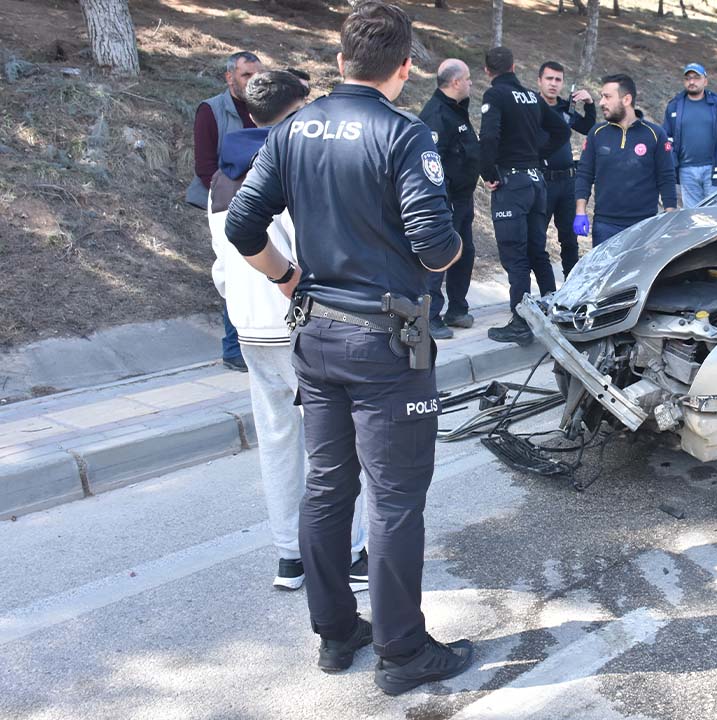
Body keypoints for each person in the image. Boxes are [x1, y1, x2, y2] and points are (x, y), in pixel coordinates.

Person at [224, 1, 473, 695]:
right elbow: (435, 250)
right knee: (395, 498)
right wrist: (452, 237)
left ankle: (336, 633)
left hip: (314, 329)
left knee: (329, 486)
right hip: (386, 340)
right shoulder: (404, 133)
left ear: (339, 63)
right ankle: (401, 651)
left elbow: (244, 223)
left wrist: (288, 279)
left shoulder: (295, 126)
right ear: (404, 68)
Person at [207, 70, 369, 595]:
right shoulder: (300, 161)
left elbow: (222, 259)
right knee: (339, 446)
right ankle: (353, 553)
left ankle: (288, 558)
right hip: (300, 317)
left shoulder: (221, 176)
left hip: (250, 326)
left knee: (277, 443)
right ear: (300, 108)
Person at [478, 46, 569, 346]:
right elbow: (562, 131)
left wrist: (489, 173)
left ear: (488, 71)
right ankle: (550, 311)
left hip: (513, 186)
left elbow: (489, 137)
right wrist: (536, 157)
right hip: (535, 182)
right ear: (514, 67)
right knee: (537, 252)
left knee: (515, 257)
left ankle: (520, 323)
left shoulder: (496, 95)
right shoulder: (531, 96)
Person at [191, 51, 263, 372]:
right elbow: (205, 166)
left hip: (263, 202)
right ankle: (233, 348)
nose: (253, 81)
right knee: (233, 272)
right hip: (225, 202)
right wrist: (234, 195)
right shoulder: (211, 110)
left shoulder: (263, 107)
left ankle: (256, 341)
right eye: (247, 75)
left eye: (257, 75)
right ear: (229, 77)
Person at [573, 74, 677, 245]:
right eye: (601, 97)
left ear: (626, 99)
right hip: (605, 225)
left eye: (607, 97)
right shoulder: (597, 133)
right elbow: (584, 174)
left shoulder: (655, 134)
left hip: (644, 226)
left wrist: (670, 216)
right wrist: (580, 212)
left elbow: (666, 177)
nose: (601, 103)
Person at [418, 59, 481, 340]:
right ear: (455, 82)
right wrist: (442, 201)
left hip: (464, 199)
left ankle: (457, 308)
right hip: (447, 201)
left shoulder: (457, 111)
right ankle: (429, 316)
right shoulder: (436, 115)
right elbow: (432, 164)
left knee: (465, 254)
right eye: (467, 78)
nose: (471, 83)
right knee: (441, 256)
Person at [536, 61, 596, 277]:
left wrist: (589, 104)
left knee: (570, 240)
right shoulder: (531, 107)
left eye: (558, 80)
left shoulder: (565, 109)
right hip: (541, 182)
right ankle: (545, 290)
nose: (553, 84)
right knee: (536, 239)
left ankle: (572, 289)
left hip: (567, 183)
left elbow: (589, 128)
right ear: (539, 81)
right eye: (549, 79)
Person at [663, 62, 717, 208]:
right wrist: (670, 157)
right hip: (686, 170)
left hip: (716, 168)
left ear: (705, 81)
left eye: (696, 77)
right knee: (694, 216)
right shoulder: (674, 106)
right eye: (688, 78)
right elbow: (666, 137)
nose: (691, 82)